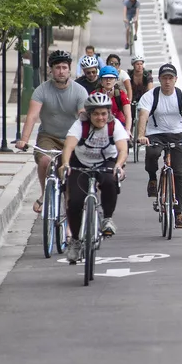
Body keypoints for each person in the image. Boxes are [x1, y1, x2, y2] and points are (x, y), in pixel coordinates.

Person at [16, 50, 89, 214]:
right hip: (49, 136)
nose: (61, 71)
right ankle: (44, 194)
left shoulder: (79, 91)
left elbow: (83, 116)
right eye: (57, 68)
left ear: (70, 70)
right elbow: (32, 116)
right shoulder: (41, 90)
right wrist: (24, 139)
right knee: (45, 161)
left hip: (72, 138)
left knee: (71, 173)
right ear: (51, 70)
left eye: (64, 67)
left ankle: (70, 226)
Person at [60, 92, 128, 262]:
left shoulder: (114, 125)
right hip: (81, 163)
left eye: (104, 113)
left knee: (110, 181)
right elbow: (68, 146)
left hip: (106, 162)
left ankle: (107, 219)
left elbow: (122, 150)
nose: (100, 118)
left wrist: (119, 165)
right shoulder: (80, 125)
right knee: (74, 201)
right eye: (96, 114)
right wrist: (66, 164)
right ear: (89, 114)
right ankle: (75, 241)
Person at [135, 64, 182, 229]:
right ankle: (152, 179)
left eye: (171, 78)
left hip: (176, 133)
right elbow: (143, 116)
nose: (168, 81)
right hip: (155, 133)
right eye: (164, 78)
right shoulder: (150, 96)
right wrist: (141, 136)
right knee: (151, 154)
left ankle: (178, 213)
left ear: (175, 79)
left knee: (179, 173)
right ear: (160, 80)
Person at [99, 66, 132, 138]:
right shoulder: (95, 94)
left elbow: (128, 114)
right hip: (100, 125)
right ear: (101, 81)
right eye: (105, 78)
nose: (108, 80)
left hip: (119, 124)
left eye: (111, 78)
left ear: (116, 80)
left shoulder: (121, 94)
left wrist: (127, 130)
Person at [128, 53, 154, 125]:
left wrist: (148, 97)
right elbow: (126, 87)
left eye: (141, 64)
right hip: (132, 97)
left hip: (144, 96)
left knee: (147, 116)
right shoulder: (129, 75)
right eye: (137, 64)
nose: (140, 66)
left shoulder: (147, 75)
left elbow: (150, 87)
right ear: (133, 65)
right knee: (129, 116)